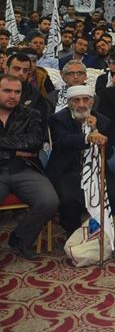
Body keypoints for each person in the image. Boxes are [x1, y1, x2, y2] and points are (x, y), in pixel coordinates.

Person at [46, 85, 115, 236]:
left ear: (92, 102)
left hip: (97, 169)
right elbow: (62, 141)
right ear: (69, 103)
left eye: (85, 100)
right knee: (69, 199)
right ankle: (73, 233)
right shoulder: (58, 119)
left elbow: (109, 152)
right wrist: (87, 137)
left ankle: (101, 232)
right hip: (67, 170)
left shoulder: (103, 121)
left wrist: (95, 130)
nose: (81, 104)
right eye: (76, 100)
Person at [0, 74, 59, 258]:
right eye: (7, 91)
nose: (12, 95)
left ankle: (21, 239)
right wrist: (14, 151)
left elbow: (34, 142)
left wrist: (8, 148)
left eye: (17, 92)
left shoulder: (31, 114)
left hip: (24, 167)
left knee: (49, 201)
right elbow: (24, 143)